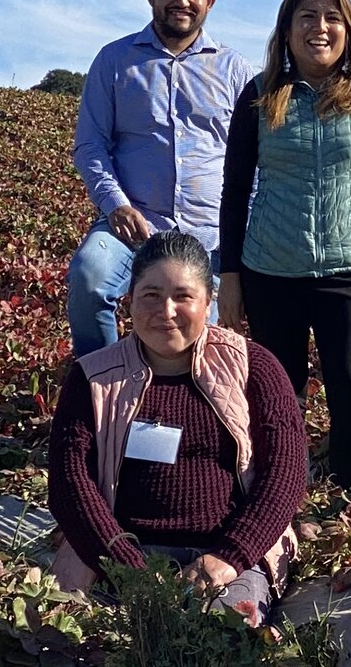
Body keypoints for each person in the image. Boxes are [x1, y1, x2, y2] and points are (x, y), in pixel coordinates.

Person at [48, 232, 305, 626]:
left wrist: (229, 557)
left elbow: (284, 477)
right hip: (117, 553)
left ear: (208, 301)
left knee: (221, 641)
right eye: (150, 295)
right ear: (129, 299)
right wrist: (127, 567)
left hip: (227, 555)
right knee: (88, 647)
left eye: (183, 296)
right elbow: (70, 484)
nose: (165, 311)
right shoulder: (92, 377)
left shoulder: (256, 367)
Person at [215, 0, 351, 488]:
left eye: (331, 17)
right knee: (279, 395)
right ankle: (281, 494)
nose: (319, 28)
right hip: (271, 268)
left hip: (350, 268)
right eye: (307, 17)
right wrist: (228, 274)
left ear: (348, 29)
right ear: (287, 29)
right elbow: (234, 188)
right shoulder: (260, 94)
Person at [66, 0, 255, 356]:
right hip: (133, 225)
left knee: (200, 340)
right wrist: (115, 205)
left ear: (210, 1)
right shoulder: (115, 61)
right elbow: (90, 145)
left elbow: (257, 160)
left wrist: (243, 237)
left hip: (212, 234)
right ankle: (99, 378)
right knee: (88, 278)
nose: (181, 1)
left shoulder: (235, 70)